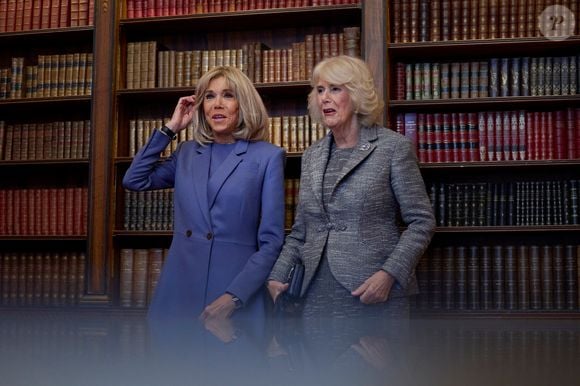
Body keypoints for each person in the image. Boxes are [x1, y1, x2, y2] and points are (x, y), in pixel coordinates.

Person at [267, 55, 435, 319]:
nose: (324, 98)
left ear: (356, 96)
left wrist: (389, 275)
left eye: (335, 89)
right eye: (320, 90)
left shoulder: (393, 148)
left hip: (373, 295)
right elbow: (301, 231)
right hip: (313, 298)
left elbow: (421, 222)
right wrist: (277, 276)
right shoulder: (312, 155)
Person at [123, 66, 285, 322]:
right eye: (209, 96)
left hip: (233, 288)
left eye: (228, 95)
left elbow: (272, 241)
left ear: (243, 104)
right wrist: (171, 128)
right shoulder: (187, 152)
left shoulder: (267, 157)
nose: (217, 104)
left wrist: (234, 296)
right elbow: (134, 180)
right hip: (179, 290)